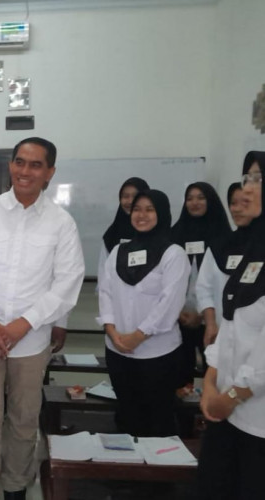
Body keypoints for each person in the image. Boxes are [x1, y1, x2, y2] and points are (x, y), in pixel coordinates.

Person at [0, 137, 84, 500]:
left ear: (50, 172)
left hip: (31, 340)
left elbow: (67, 281)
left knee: (24, 418)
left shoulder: (62, 223)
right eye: (19, 162)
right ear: (11, 165)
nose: (25, 171)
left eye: (35, 165)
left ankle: (15, 487)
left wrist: (24, 323)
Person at [198, 151, 265, 500]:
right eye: (247, 178)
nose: (247, 189)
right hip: (227, 410)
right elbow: (232, 323)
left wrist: (232, 396)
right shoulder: (252, 247)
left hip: (257, 419)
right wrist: (211, 383)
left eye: (258, 179)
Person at [99, 189, 190, 437]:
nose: (142, 215)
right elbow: (105, 292)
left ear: (162, 214)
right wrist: (112, 332)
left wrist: (138, 336)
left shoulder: (174, 254)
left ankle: (157, 463)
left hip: (158, 353)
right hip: (117, 350)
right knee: (127, 416)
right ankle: (127, 461)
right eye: (137, 209)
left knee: (157, 420)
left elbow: (170, 303)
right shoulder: (119, 252)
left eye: (150, 209)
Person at [171, 182, 231, 394]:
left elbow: (227, 285)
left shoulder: (226, 238)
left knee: (214, 377)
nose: (194, 203)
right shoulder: (174, 235)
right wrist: (179, 313)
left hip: (214, 322)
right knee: (179, 378)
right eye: (189, 198)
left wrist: (204, 316)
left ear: (211, 201)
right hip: (178, 319)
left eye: (200, 198)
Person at [196, 183, 254, 347]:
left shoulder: (260, 246)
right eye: (233, 203)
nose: (237, 209)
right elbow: (204, 288)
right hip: (221, 333)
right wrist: (210, 324)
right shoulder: (219, 246)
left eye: (245, 202)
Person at [98, 177, 150, 285]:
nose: (130, 201)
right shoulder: (111, 235)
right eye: (125, 196)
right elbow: (103, 275)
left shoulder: (157, 233)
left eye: (135, 196)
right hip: (117, 293)